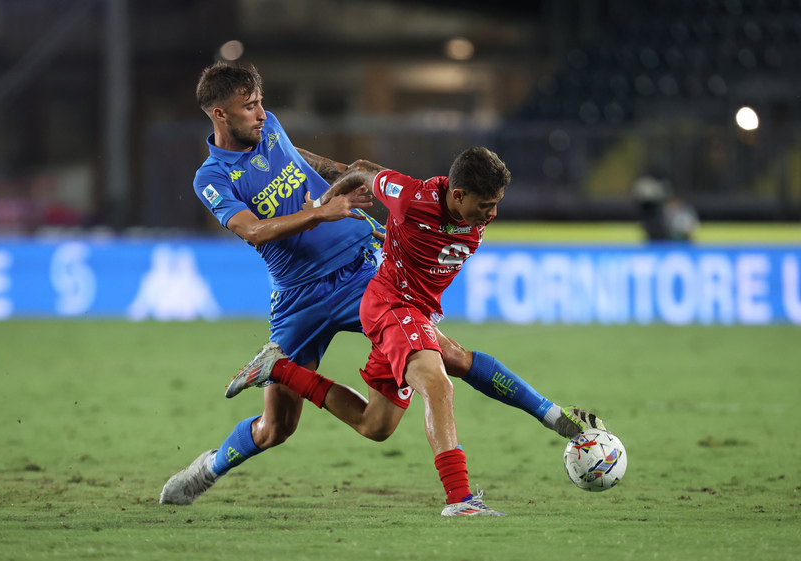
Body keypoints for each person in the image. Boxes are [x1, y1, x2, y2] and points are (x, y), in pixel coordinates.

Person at [160, 63, 605, 510]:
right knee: (276, 429)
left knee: (441, 358)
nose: (261, 112)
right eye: (249, 107)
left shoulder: (269, 127)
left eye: (260, 102)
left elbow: (297, 160)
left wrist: (343, 173)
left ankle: (543, 426)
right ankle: (209, 467)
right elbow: (253, 231)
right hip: (298, 296)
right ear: (220, 115)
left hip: (358, 275)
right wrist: (321, 211)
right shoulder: (211, 178)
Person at [224, 147, 601, 516]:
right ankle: (460, 499)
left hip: (418, 311)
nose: (493, 213)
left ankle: (279, 368)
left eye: (496, 203)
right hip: (390, 304)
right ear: (458, 194)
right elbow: (359, 170)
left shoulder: (469, 212)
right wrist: (321, 206)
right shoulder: (409, 197)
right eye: (486, 205)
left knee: (376, 424)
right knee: (439, 383)